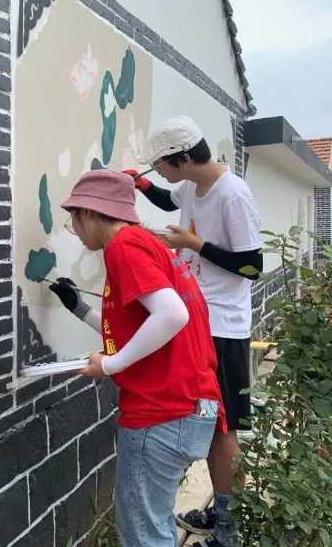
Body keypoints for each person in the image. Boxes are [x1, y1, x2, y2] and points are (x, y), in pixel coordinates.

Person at [50, 169, 225, 547]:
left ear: (94, 213)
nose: (75, 229)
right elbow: (139, 328)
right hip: (193, 408)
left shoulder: (124, 247)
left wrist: (110, 365)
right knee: (154, 524)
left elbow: (172, 315)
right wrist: (79, 308)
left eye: (75, 218)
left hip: (160, 412)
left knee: (144, 535)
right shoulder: (147, 244)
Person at [124, 116, 262, 547]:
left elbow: (252, 265)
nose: (158, 173)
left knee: (223, 428)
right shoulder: (192, 185)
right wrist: (140, 185)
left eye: (160, 166)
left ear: (183, 158)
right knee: (207, 421)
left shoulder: (232, 194)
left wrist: (193, 245)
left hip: (223, 324)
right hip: (196, 318)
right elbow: (170, 201)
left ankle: (229, 526)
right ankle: (219, 510)